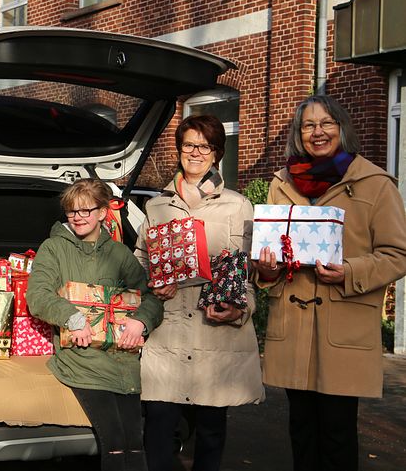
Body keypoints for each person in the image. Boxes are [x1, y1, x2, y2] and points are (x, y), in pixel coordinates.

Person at [256, 95, 406, 471]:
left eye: (326, 123)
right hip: (294, 325)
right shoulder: (282, 182)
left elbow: (398, 253)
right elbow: (265, 255)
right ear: (298, 133)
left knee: (337, 434)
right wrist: (268, 270)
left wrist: (350, 271)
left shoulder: (374, 183)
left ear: (341, 128)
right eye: (308, 125)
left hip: (344, 327)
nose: (317, 132)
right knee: (301, 429)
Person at [135, 115, 264, 471]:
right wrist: (151, 281)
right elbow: (141, 260)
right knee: (158, 427)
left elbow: (248, 273)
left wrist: (241, 310)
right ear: (179, 150)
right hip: (168, 331)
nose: (195, 153)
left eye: (204, 146)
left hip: (215, 331)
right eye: (188, 145)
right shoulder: (157, 206)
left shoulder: (238, 206)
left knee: (210, 432)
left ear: (217, 153)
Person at [27, 178, 164, 471]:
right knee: (115, 442)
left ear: (103, 212)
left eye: (85, 211)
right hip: (82, 362)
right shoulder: (53, 249)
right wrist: (72, 318)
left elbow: (150, 297)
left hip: (123, 364)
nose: (77, 217)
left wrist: (140, 322)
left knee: (134, 444)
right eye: (71, 211)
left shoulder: (119, 253)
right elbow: (37, 295)